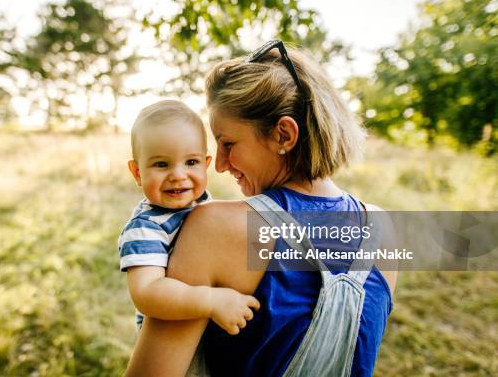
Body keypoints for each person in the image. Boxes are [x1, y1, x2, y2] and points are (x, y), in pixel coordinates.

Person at [124, 41, 398, 377]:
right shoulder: (381, 229)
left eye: (228, 144)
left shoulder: (214, 228)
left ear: (284, 134)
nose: (220, 166)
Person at [119, 99, 260, 334]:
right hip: (171, 333)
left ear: (205, 164)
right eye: (162, 164)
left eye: (191, 162)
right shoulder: (146, 228)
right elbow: (146, 292)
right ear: (137, 173)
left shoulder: (204, 204)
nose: (178, 175)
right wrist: (211, 300)